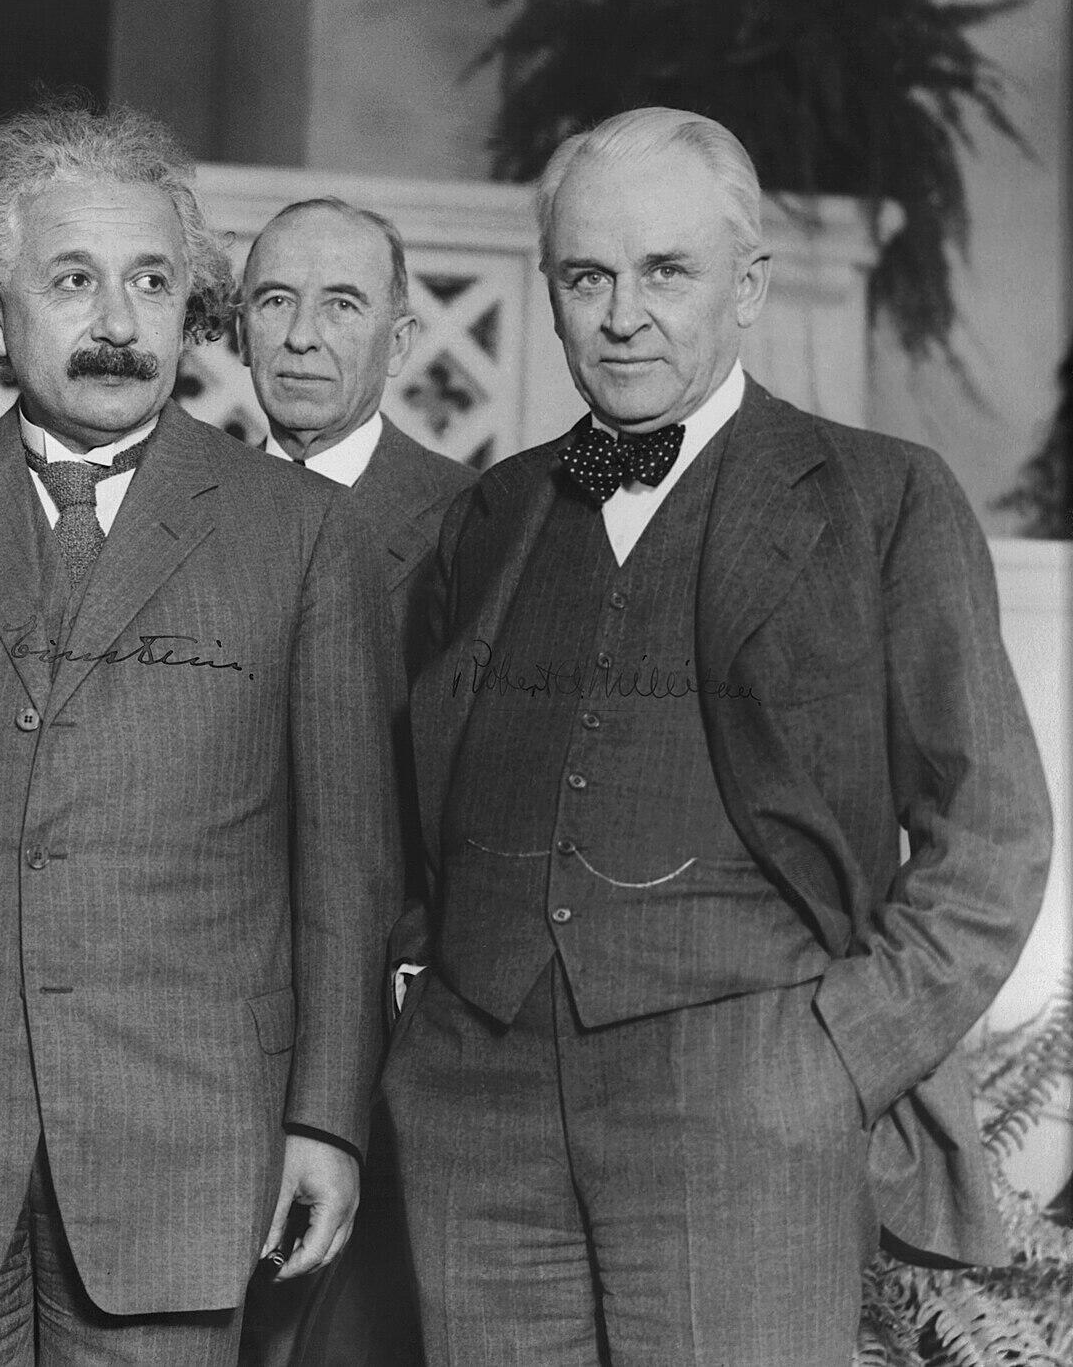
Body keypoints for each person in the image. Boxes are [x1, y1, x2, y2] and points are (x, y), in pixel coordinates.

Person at [386, 106, 1052, 1366]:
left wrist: (835, 1055)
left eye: (664, 271)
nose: (620, 313)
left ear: (745, 289)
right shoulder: (490, 513)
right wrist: (427, 1019)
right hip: (476, 1107)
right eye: (585, 276)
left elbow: (993, 833)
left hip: (746, 1097)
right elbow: (413, 795)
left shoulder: (880, 497)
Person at [0, 101, 394, 1366]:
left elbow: (344, 869)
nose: (117, 322)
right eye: (72, 282)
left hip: (184, 1151)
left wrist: (326, 1122)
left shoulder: (298, 539)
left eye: (151, 282)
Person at [236, 198, 472, 1367]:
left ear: (400, 331)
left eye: (341, 304)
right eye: (273, 301)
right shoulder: (189, 508)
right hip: (204, 1021)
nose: (301, 337)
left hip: (389, 1029)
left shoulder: (471, 524)